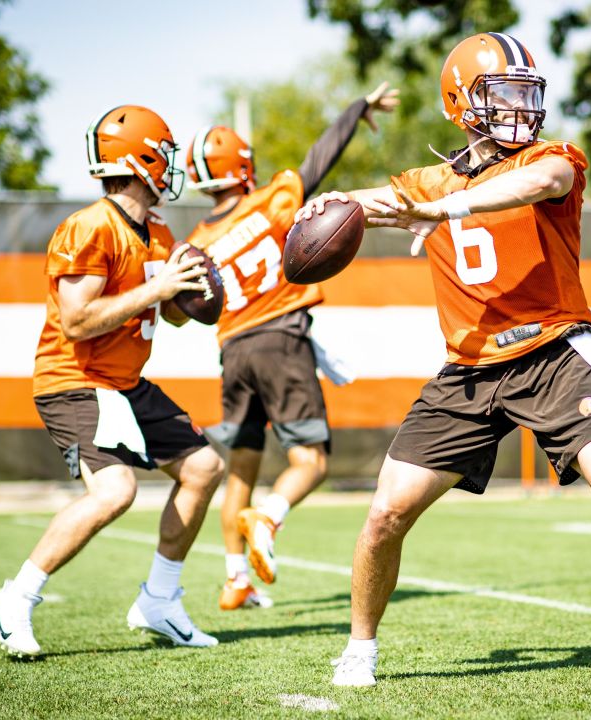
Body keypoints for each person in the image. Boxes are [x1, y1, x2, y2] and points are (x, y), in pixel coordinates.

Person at [295, 33, 591, 687]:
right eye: (502, 93)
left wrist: (443, 207)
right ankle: (361, 648)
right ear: (462, 105)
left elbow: (540, 182)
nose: (521, 106)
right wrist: (326, 206)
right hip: (468, 372)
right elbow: (367, 204)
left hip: (556, 354)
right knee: (385, 514)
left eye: (526, 92)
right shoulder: (429, 181)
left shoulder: (552, 158)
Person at [0, 105, 226, 657]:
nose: (169, 165)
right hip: (74, 379)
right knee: (116, 491)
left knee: (204, 467)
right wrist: (159, 289)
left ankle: (159, 601)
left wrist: (196, 289)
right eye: (162, 153)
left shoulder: (158, 230)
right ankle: (15, 600)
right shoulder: (90, 226)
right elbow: (77, 320)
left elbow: (173, 312)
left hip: (125, 382)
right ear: (140, 160)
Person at [184, 84, 399, 611]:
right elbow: (319, 157)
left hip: (232, 350)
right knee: (311, 460)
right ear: (242, 166)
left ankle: (236, 579)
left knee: (241, 467)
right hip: (279, 337)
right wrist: (358, 109)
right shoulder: (271, 199)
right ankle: (270, 516)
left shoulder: (196, 241)